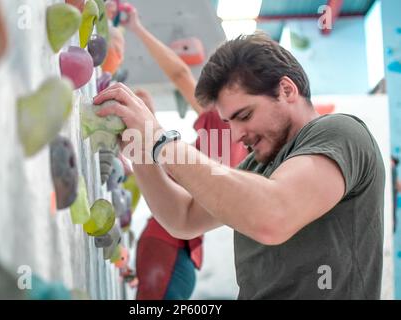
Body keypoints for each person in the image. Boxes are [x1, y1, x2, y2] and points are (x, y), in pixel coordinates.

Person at [93, 32, 385, 299]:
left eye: (244, 115)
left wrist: (160, 141)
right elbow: (182, 218)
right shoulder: (259, 166)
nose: (236, 135)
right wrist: (142, 152)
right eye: (228, 122)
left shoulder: (340, 132)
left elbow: (273, 216)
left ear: (286, 89)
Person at [122, 7, 248, 299]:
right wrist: (150, 124)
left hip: (168, 246)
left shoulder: (222, 122)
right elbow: (184, 179)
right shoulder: (246, 154)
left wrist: (137, 28)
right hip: (181, 253)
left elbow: (180, 74)